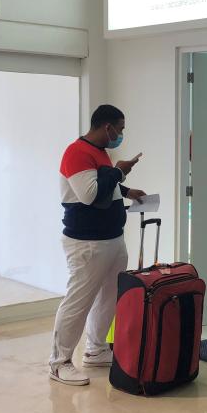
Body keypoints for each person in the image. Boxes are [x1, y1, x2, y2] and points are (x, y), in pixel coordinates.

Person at [49, 105, 145, 386]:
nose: (121, 135)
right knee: (79, 301)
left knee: (108, 296)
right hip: (87, 243)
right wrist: (118, 171)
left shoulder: (100, 153)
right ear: (107, 128)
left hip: (111, 238)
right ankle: (59, 362)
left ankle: (96, 348)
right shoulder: (76, 153)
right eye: (120, 129)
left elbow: (101, 184)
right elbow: (89, 194)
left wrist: (126, 190)